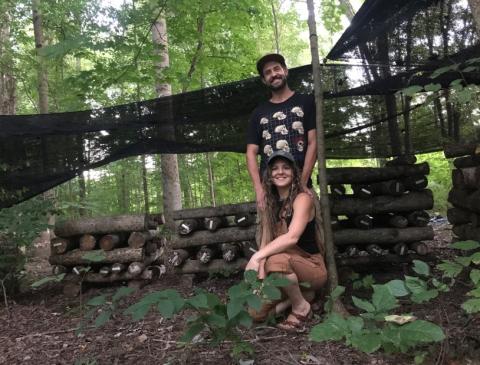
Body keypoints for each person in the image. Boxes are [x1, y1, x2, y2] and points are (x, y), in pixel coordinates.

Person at [245, 150, 327, 331]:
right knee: (255, 312)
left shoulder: (303, 198)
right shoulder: (270, 204)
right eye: (274, 168)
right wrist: (261, 279)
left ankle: (301, 307)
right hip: (282, 270)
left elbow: (292, 237)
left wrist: (256, 257)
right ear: (269, 175)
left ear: (294, 172)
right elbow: (266, 242)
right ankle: (302, 296)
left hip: (311, 266)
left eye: (286, 167)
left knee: (276, 260)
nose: (280, 172)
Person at [246, 53, 317, 210]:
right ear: (264, 80)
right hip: (270, 193)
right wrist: (259, 190)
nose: (273, 74)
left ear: (285, 71)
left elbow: (314, 142)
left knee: (308, 233)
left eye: (276, 69)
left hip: (303, 189)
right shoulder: (258, 113)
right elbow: (251, 152)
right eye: (268, 72)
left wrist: (303, 183)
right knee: (267, 234)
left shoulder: (306, 102)